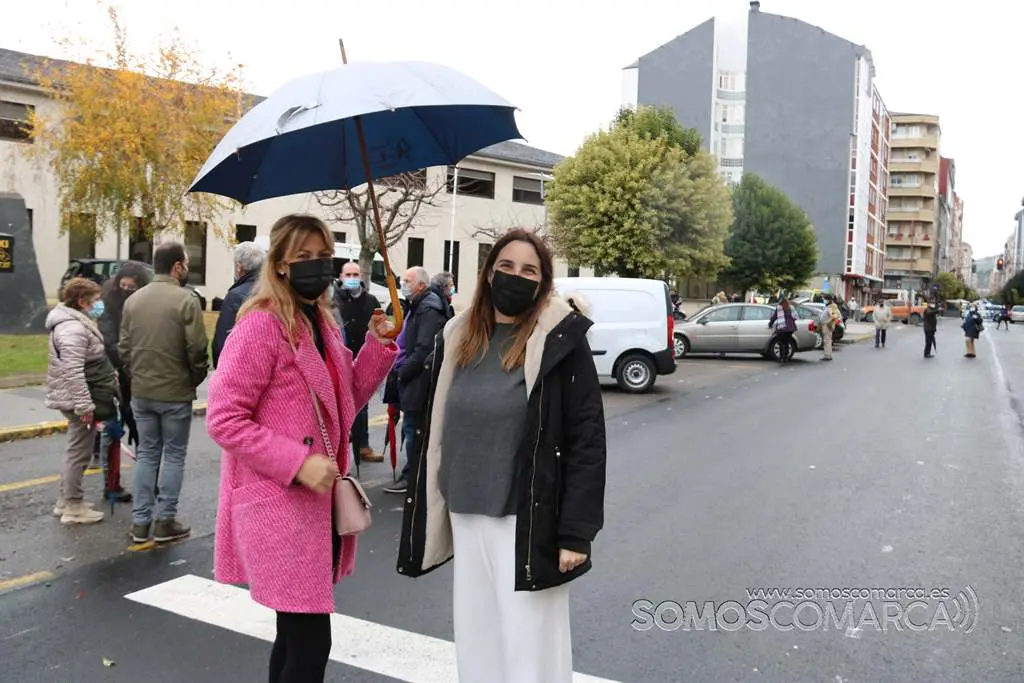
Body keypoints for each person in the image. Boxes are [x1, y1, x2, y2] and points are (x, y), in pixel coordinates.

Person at [397, 228, 607, 683]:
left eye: (529, 270)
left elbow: (587, 440)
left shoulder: (561, 341)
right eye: (507, 266)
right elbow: (431, 417)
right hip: (466, 513)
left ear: (543, 282)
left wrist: (576, 533)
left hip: (526, 518)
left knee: (531, 649)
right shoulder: (458, 335)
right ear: (489, 274)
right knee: (478, 642)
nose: (516, 276)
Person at [207, 214, 397, 683]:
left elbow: (344, 401)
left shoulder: (321, 323)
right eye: (304, 256)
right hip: (281, 505)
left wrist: (377, 345)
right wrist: (297, 463)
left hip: (316, 505)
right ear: (281, 263)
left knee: (294, 639)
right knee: (311, 643)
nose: (317, 265)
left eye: (323, 255)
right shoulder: (261, 326)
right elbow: (224, 419)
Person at [119, 242, 209, 544]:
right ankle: (165, 520)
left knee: (147, 453)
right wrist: (193, 378)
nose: (187, 268)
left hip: (142, 389)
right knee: (173, 455)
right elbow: (197, 349)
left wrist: (135, 376)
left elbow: (124, 348)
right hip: (175, 391)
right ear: (177, 266)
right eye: (186, 263)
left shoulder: (134, 300)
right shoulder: (186, 300)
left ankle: (140, 522)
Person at [45, 278, 117, 525]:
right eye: (96, 300)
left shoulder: (73, 322)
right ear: (82, 301)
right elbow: (73, 371)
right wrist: (84, 406)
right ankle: (74, 507)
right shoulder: (72, 329)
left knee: (75, 450)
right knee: (79, 453)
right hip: (77, 399)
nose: (99, 304)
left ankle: (64, 500)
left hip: (73, 396)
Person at [383, 266, 448, 495]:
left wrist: (403, 372)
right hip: (411, 378)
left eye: (407, 281)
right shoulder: (417, 305)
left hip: (418, 380)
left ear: (421, 285)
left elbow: (423, 349)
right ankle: (413, 475)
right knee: (412, 429)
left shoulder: (428, 309)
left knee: (414, 430)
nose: (403, 285)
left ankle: (414, 479)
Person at [97, 260, 151, 503]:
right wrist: (126, 364)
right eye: (124, 286)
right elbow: (109, 341)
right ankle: (112, 485)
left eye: (132, 287)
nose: (126, 290)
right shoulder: (109, 303)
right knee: (113, 431)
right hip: (116, 375)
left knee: (140, 429)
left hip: (135, 374)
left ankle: (146, 481)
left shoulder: (143, 304)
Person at [330, 260, 384, 464]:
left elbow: (380, 327)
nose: (352, 279)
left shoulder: (371, 301)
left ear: (361, 277)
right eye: (348, 275)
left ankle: (363, 445)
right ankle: (339, 448)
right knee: (338, 406)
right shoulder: (333, 301)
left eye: (355, 275)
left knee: (362, 405)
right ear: (341, 277)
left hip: (363, 358)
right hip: (341, 359)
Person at [212, 240, 265, 368]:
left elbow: (222, 344)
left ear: (239, 267)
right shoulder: (276, 292)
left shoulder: (235, 296)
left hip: (240, 370)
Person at [767, 298, 797, 362]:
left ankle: (781, 357)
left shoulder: (779, 308)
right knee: (787, 342)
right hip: (790, 328)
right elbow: (795, 317)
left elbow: (774, 317)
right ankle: (785, 357)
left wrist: (770, 324)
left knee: (781, 343)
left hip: (782, 328)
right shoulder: (791, 308)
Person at [821, 296, 842, 361]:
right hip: (827, 325)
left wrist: (830, 320)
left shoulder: (831, 307)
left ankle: (827, 355)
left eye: (825, 299)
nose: (824, 300)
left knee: (827, 341)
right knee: (828, 340)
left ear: (828, 300)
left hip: (827, 325)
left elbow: (834, 315)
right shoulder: (829, 307)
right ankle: (828, 354)